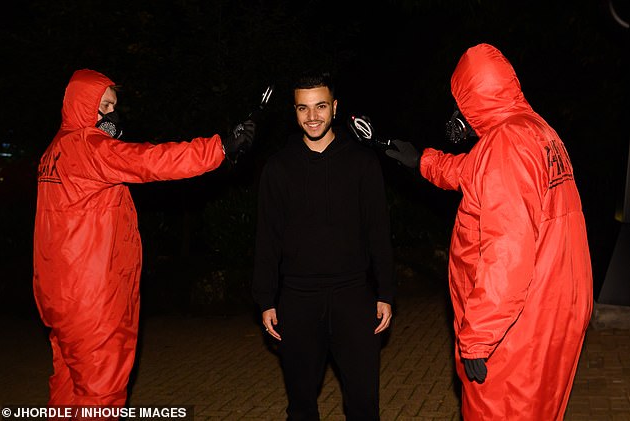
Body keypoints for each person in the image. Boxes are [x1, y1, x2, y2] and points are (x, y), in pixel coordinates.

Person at [385, 43, 593, 420]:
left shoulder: (506, 145)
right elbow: (472, 173)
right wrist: (422, 162)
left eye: (458, 103)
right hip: (553, 309)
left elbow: (508, 252)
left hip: (515, 328)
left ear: (473, 99)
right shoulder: (535, 131)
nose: (455, 114)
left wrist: (478, 336)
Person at [33, 68, 254, 408]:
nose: (111, 114)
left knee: (67, 389)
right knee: (99, 395)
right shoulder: (89, 148)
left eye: (113, 106)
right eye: (103, 106)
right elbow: (150, 161)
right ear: (81, 104)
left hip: (59, 298)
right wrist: (220, 148)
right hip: (94, 300)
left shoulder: (53, 152)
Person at [251, 70, 395, 420]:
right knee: (301, 405)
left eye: (320, 107)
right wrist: (266, 299)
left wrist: (386, 292)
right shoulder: (278, 168)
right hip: (297, 300)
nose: (312, 117)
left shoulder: (362, 162)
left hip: (353, 297)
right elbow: (266, 237)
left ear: (335, 107)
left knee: (364, 404)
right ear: (294, 111)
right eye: (303, 108)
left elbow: (379, 230)